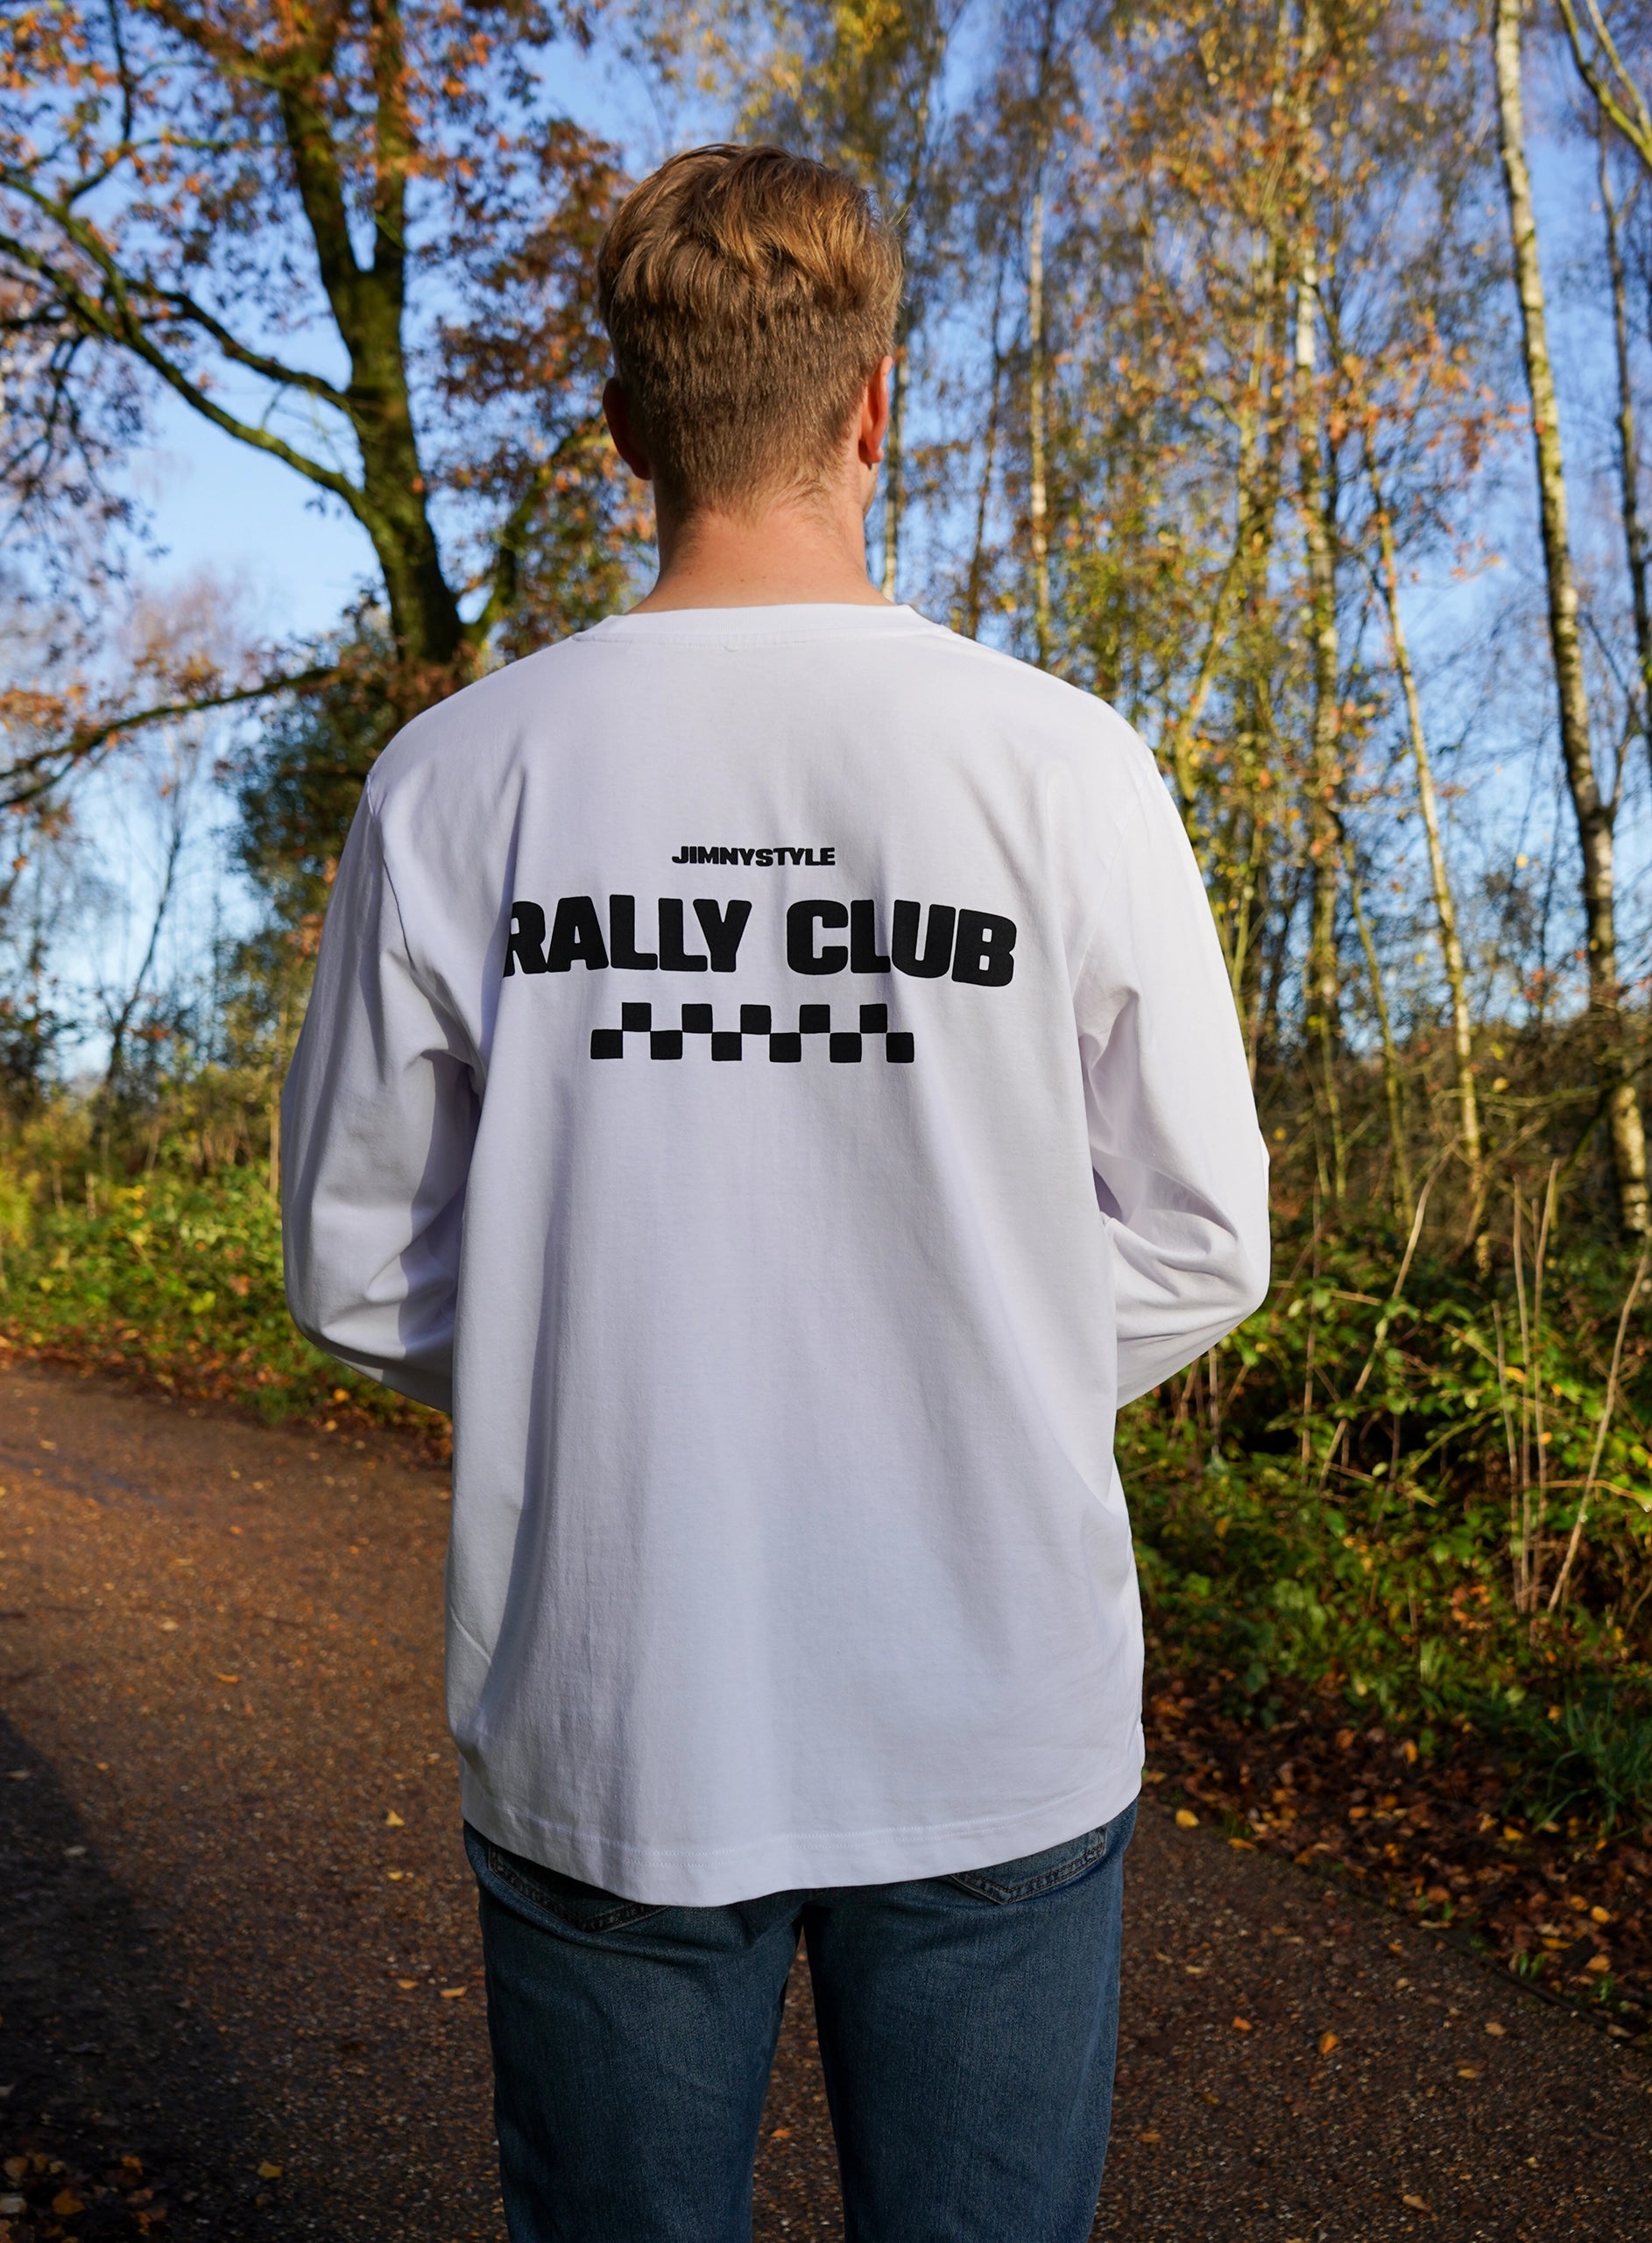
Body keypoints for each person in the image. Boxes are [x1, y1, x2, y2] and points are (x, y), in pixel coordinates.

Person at [281, 142, 1269, 2243]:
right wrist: (969, 1370)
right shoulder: (1061, 765)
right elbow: (1201, 1232)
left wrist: (595, 1369)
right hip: (992, 1688)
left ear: (625, 426)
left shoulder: (458, 778)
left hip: (610, 1686)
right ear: (872, 403)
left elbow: (355, 1261)